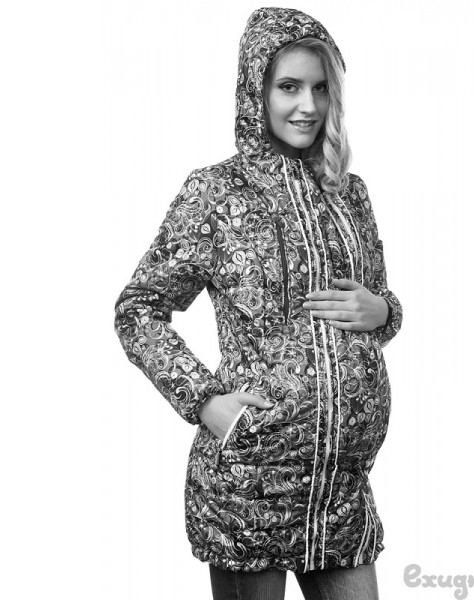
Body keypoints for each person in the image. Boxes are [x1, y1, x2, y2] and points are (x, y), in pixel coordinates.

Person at [114, 6, 403, 600]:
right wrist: (204, 400)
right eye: (288, 87)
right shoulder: (216, 192)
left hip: (340, 497)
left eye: (320, 88)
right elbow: (138, 309)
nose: (307, 105)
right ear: (256, 92)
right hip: (250, 490)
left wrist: (386, 312)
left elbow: (372, 307)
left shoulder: (349, 193)